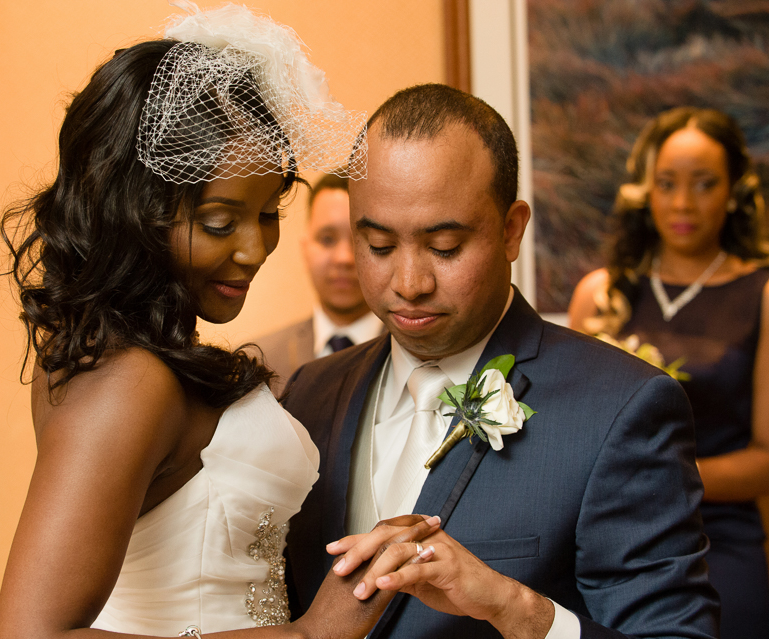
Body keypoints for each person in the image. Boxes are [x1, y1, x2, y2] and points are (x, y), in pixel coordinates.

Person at [0, 4, 416, 638]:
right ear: (140, 211)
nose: (254, 248)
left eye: (269, 212)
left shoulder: (141, 360)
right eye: (220, 222)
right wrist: (306, 635)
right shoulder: (127, 380)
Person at [281, 84, 719, 639]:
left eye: (444, 246)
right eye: (380, 246)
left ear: (511, 229)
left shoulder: (620, 410)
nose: (409, 284)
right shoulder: (309, 393)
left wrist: (516, 608)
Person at [568, 106, 769, 639]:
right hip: (607, 533)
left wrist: (663, 482)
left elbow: (766, 459)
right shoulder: (600, 294)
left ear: (732, 193)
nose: (683, 203)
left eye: (704, 185)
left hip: (718, 536)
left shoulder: (763, 296)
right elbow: (568, 432)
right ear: (645, 191)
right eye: (668, 184)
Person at [256, 173, 383, 395]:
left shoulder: (416, 356)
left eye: (361, 240)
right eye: (327, 239)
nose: (344, 258)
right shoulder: (259, 363)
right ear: (305, 248)